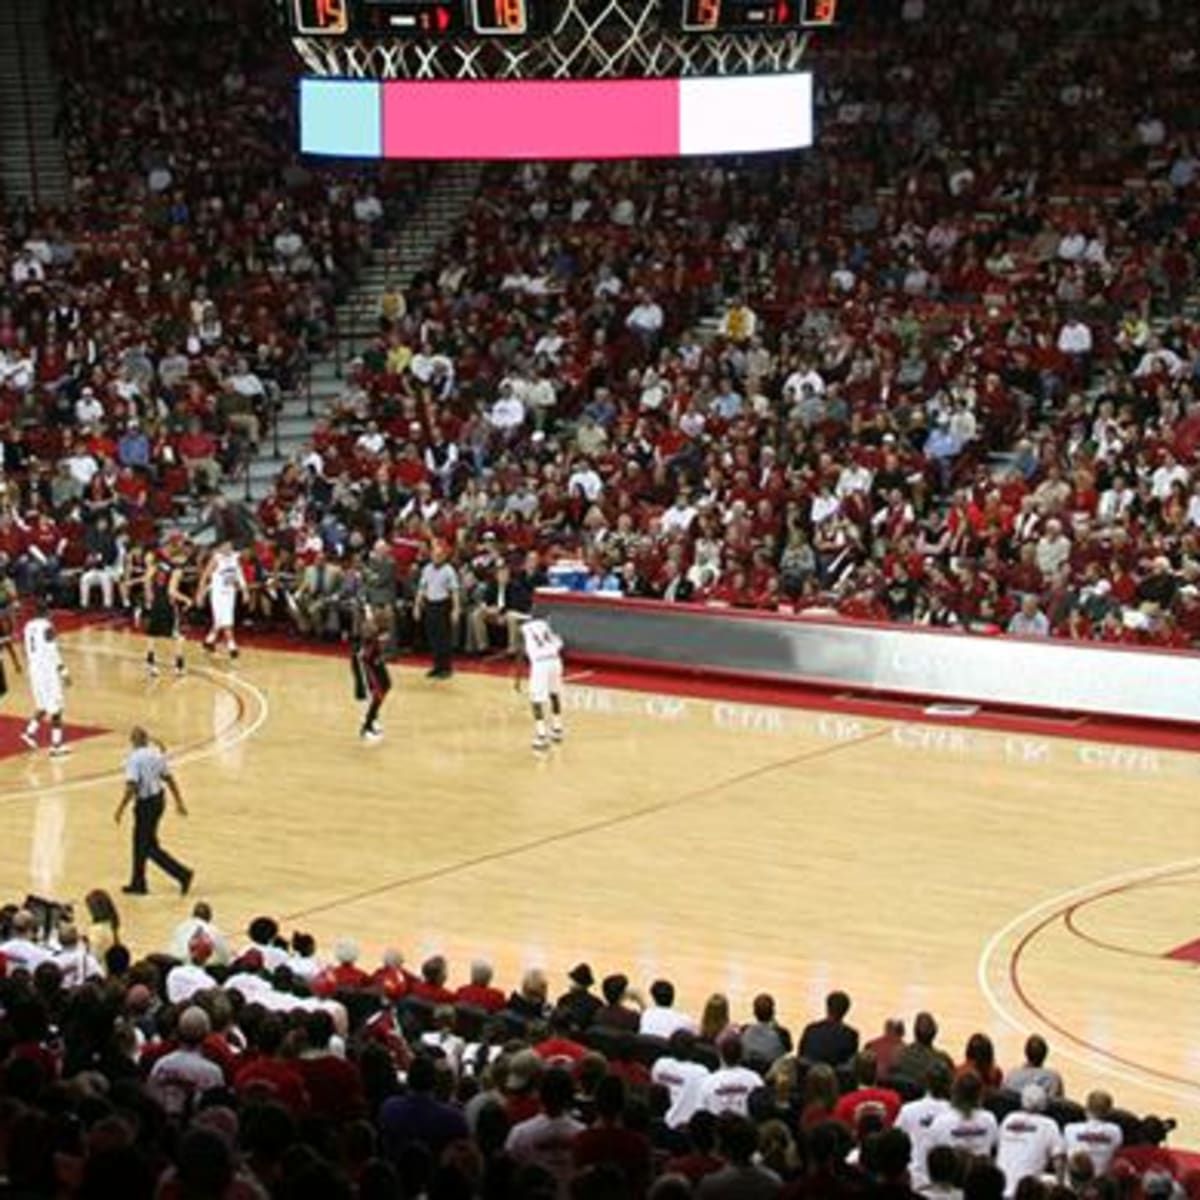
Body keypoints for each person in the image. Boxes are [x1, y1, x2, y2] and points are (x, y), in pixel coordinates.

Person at [114, 726, 193, 896]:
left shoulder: (134, 759)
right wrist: (179, 801)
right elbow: (168, 778)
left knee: (148, 847)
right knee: (140, 844)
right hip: (159, 801)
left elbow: (132, 786)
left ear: (133, 741)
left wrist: (120, 808)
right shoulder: (156, 754)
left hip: (145, 805)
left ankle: (182, 874)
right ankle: (138, 882)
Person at [20, 595, 71, 757]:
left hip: (34, 669)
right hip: (47, 670)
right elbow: (52, 651)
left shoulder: (28, 626)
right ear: (47, 612)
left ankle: (29, 733)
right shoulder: (47, 627)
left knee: (42, 705)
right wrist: (63, 671)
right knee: (57, 709)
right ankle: (56, 746)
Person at [143, 544, 191, 678]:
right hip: (168, 605)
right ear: (179, 556)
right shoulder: (177, 570)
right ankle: (179, 666)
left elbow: (146, 579)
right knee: (178, 636)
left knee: (153, 633)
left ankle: (150, 663)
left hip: (155, 603)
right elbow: (171, 591)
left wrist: (149, 596)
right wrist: (187, 599)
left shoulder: (156, 565)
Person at [414, 541, 460, 679]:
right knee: (432, 636)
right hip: (430, 605)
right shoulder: (427, 569)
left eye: (439, 555)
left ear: (444, 556)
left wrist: (456, 609)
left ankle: (446, 667)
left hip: (442, 605)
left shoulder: (449, 570)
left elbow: (454, 591)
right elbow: (422, 588)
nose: (436, 557)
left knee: (443, 637)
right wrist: (417, 605)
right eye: (434, 555)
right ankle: (436, 666)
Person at [519, 613, 565, 751]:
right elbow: (559, 642)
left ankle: (541, 735)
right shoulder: (545, 625)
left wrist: (518, 677)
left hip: (540, 664)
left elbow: (521, 652)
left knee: (536, 700)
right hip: (555, 660)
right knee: (554, 694)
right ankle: (557, 729)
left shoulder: (523, 629)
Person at [198, 540, 248, 660]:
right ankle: (232, 647)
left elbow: (239, 575)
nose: (228, 548)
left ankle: (208, 641)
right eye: (225, 546)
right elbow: (205, 576)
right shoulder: (216, 558)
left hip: (230, 593)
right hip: (217, 594)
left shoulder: (235, 558)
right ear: (220, 547)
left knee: (222, 621)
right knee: (225, 621)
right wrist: (200, 593)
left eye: (230, 545)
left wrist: (245, 591)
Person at [351, 610, 392, 741]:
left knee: (387, 684)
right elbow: (364, 654)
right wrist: (372, 634)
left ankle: (372, 717)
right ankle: (366, 727)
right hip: (364, 662)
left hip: (375, 660)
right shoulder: (369, 630)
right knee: (375, 692)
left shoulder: (384, 631)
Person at [799, 990, 859, 1067]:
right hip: (836, 1077)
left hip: (807, 1074)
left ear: (827, 1007)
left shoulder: (810, 1029)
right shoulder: (851, 1035)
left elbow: (801, 1056)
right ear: (846, 1011)